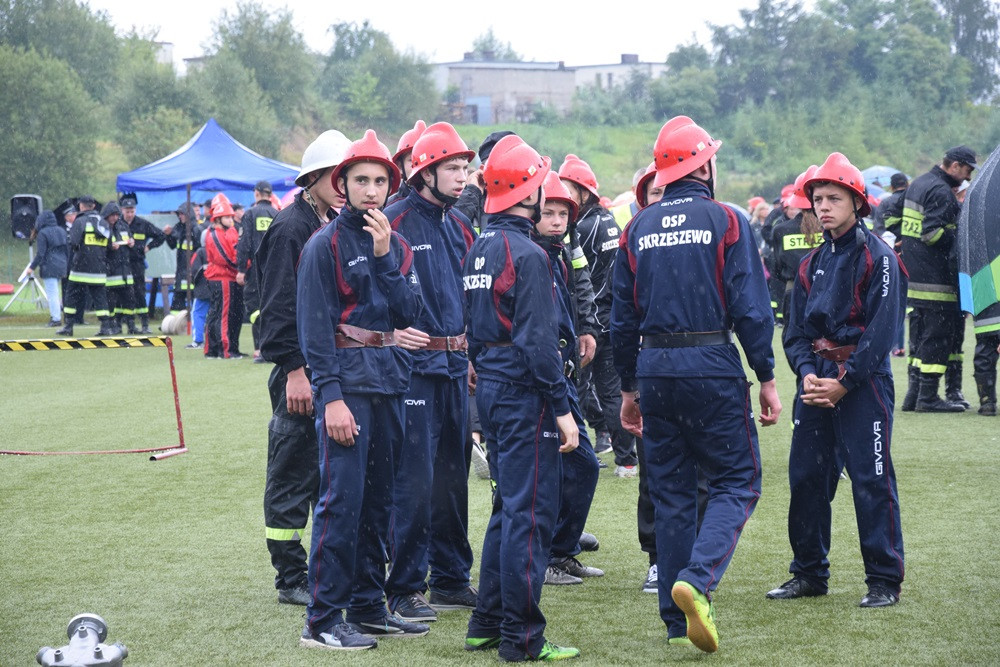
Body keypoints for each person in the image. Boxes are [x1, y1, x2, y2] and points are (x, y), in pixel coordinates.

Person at [610, 116, 781, 653]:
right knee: (737, 482)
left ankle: (672, 617)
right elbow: (751, 309)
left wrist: (628, 388)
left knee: (673, 494)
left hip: (655, 370)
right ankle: (697, 581)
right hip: (710, 362)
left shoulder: (637, 227)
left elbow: (621, 318)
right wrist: (767, 376)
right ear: (704, 164)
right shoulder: (727, 220)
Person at [297, 129, 427, 651]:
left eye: (380, 181)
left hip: (390, 382)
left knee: (379, 504)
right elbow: (313, 330)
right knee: (340, 504)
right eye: (361, 180)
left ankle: (370, 607)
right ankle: (322, 619)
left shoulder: (393, 244)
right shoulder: (321, 245)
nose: (372, 190)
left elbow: (407, 314)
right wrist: (330, 399)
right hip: (347, 388)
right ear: (341, 185)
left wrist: (382, 256)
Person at [767, 151, 907, 609]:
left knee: (871, 478)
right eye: (818, 199)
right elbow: (795, 333)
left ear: (857, 202)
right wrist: (808, 376)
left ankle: (884, 580)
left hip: (863, 384)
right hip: (818, 382)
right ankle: (808, 574)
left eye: (833, 198)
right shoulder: (811, 263)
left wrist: (845, 382)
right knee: (806, 477)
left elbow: (882, 330)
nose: (823, 207)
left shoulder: (879, 257)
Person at [462, 134, 581, 662]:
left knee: (506, 511)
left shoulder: (481, 245)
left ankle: (486, 623)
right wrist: (561, 407)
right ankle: (523, 638)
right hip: (523, 394)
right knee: (529, 516)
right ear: (527, 192)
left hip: (491, 388)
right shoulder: (529, 254)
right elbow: (537, 343)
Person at [382, 122, 479, 622]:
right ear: (425, 171)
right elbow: (368, 292)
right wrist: (392, 337)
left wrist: (473, 358)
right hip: (413, 371)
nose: (462, 177)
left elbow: (471, 297)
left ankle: (451, 578)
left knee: (452, 479)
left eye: (465, 167)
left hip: (455, 367)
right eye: (453, 168)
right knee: (414, 481)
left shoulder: (461, 226)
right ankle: (403, 588)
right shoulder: (392, 222)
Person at [256, 129, 351, 607]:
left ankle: (320, 566)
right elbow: (275, 307)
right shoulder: (291, 227)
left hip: (330, 366)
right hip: (302, 371)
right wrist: (294, 368)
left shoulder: (329, 220)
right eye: (332, 175)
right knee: (293, 470)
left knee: (324, 471)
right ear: (311, 179)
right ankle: (290, 576)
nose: (341, 182)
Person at [534, 171, 603, 587]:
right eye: (549, 212)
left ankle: (560, 550)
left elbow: (582, 288)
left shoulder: (561, 251)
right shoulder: (529, 255)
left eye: (563, 213)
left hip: (565, 373)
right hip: (542, 382)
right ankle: (549, 555)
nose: (557, 220)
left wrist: (587, 327)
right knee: (567, 468)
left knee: (581, 466)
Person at [560, 153, 639, 479]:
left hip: (591, 321)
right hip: (611, 316)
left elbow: (578, 278)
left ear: (583, 191)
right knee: (612, 390)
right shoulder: (608, 220)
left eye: (567, 189)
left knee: (585, 389)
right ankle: (626, 458)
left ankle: (592, 452)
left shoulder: (584, 228)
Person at [897, 146, 976, 411]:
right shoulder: (941, 191)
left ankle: (914, 395)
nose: (966, 177)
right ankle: (928, 398)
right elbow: (931, 234)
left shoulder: (919, 183)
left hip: (915, 276)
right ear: (954, 165)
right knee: (937, 338)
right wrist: (961, 239)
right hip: (936, 280)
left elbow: (903, 223)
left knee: (919, 338)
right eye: (967, 170)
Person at [57, 196, 113, 336]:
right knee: (100, 298)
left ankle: (69, 326)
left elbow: (74, 242)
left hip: (80, 268)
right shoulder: (104, 222)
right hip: (99, 268)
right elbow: (110, 244)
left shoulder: (80, 221)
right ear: (93, 206)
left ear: (81, 206)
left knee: (71, 295)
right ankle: (105, 327)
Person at [236, 181, 279, 362]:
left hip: (256, 269)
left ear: (256, 194)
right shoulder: (278, 214)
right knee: (273, 307)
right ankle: (273, 347)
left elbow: (244, 244)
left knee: (255, 309)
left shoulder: (250, 214)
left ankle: (259, 349)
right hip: (276, 268)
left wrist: (240, 269)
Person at [119, 193, 166, 334]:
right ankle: (127, 324)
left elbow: (161, 235)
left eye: (132, 211)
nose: (129, 214)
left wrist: (149, 247)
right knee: (123, 295)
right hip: (120, 265)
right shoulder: (118, 225)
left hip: (137, 264)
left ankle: (145, 324)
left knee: (139, 293)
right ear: (122, 210)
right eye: (127, 211)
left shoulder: (142, 224)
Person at [203, 199, 244, 359]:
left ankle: (214, 350)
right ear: (219, 218)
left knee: (219, 314)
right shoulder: (216, 235)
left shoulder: (224, 232)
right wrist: (243, 267)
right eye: (228, 217)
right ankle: (225, 350)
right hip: (222, 278)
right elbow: (228, 258)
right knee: (223, 315)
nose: (231, 221)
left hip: (225, 277)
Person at [26, 209, 69, 326]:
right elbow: (67, 250)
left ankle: (55, 318)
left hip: (49, 266)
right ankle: (63, 316)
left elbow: (41, 254)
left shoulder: (43, 233)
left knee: (52, 294)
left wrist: (32, 267)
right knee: (58, 293)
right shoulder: (61, 231)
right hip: (62, 265)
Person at [163, 202, 200, 312]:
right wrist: (168, 235)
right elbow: (172, 245)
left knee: (195, 300)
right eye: (179, 214)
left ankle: (196, 324)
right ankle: (175, 324)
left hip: (192, 271)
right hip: (181, 271)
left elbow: (199, 251)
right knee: (178, 300)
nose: (180, 216)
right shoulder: (179, 228)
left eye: (182, 214)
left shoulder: (196, 230)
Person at [103, 202, 134, 334]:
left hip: (126, 271)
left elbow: (129, 237)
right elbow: (98, 246)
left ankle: (131, 326)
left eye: (116, 215)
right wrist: (109, 246)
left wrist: (131, 242)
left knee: (129, 300)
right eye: (112, 216)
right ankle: (113, 325)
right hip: (111, 272)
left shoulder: (123, 226)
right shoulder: (103, 227)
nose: (114, 218)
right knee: (111, 302)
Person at [386, 119, 426, 207]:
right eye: (414, 161)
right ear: (400, 167)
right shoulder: (388, 210)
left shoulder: (452, 207)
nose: (422, 167)